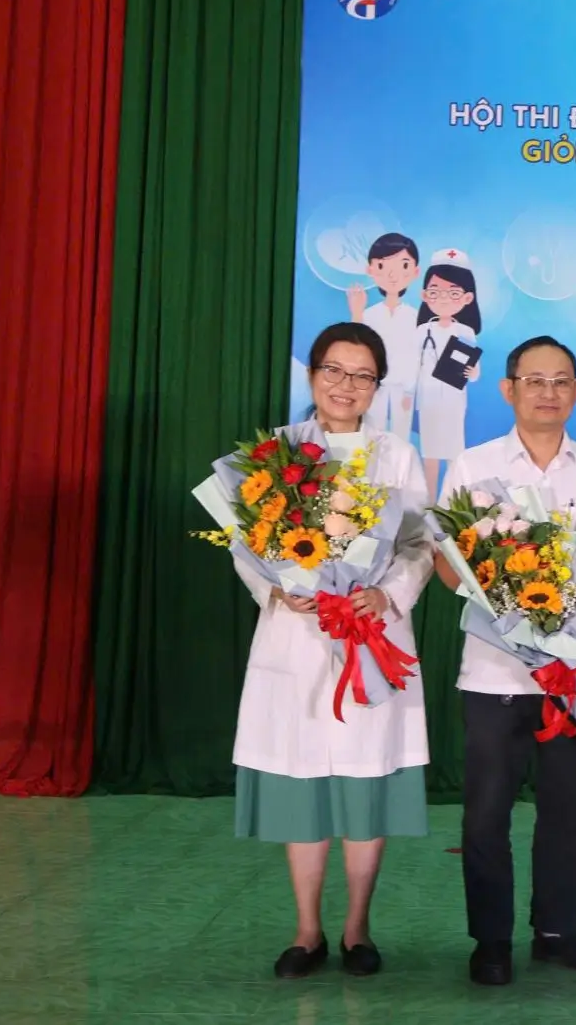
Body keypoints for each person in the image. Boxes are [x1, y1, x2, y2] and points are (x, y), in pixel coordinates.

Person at [230, 322, 435, 980]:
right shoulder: (276, 454)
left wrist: (388, 595)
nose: (347, 385)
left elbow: (419, 544)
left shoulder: (396, 456)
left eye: (362, 375)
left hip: (369, 636)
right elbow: (245, 542)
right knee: (302, 784)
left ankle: (357, 929)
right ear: (313, 374)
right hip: (297, 637)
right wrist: (275, 588)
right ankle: (307, 930)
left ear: (378, 386)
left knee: (365, 783)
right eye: (334, 371)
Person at [433, 335, 576, 986]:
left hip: (571, 674)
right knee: (486, 813)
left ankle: (557, 931)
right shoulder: (473, 465)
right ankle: (491, 940)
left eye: (561, 380)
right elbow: (446, 564)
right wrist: (505, 607)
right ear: (508, 388)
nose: (548, 391)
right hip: (493, 672)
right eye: (534, 380)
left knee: (569, 811)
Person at [415, 248, 484, 492]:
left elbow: (475, 372)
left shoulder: (466, 332)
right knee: (430, 454)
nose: (443, 299)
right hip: (428, 400)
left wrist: (471, 372)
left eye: (453, 293)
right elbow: (413, 365)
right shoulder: (422, 331)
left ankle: (453, 500)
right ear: (425, 295)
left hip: (454, 400)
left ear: (467, 298)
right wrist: (408, 394)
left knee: (455, 454)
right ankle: (429, 503)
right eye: (435, 292)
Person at [347, 233, 423, 442]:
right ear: (370, 270)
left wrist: (410, 389)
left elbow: (416, 354)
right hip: (374, 384)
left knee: (401, 434)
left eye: (404, 265)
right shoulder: (368, 314)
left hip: (404, 386)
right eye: (382, 266)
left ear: (415, 271)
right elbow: (357, 347)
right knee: (372, 431)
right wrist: (356, 313)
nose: (392, 275)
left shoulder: (415, 316)